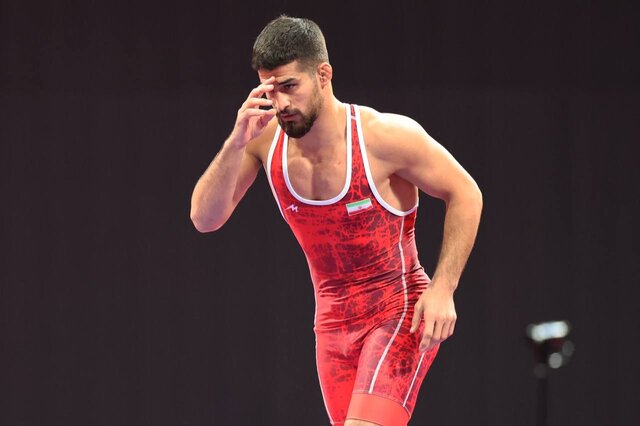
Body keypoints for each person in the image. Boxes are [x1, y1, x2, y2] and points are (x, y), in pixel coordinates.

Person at [190, 15, 482, 426]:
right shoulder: (262, 140)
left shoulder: (384, 137)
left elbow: (466, 193)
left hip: (398, 311)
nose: (280, 104)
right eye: (269, 90)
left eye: (289, 86)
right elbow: (204, 218)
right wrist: (236, 142)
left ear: (323, 75)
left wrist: (444, 288)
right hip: (331, 326)